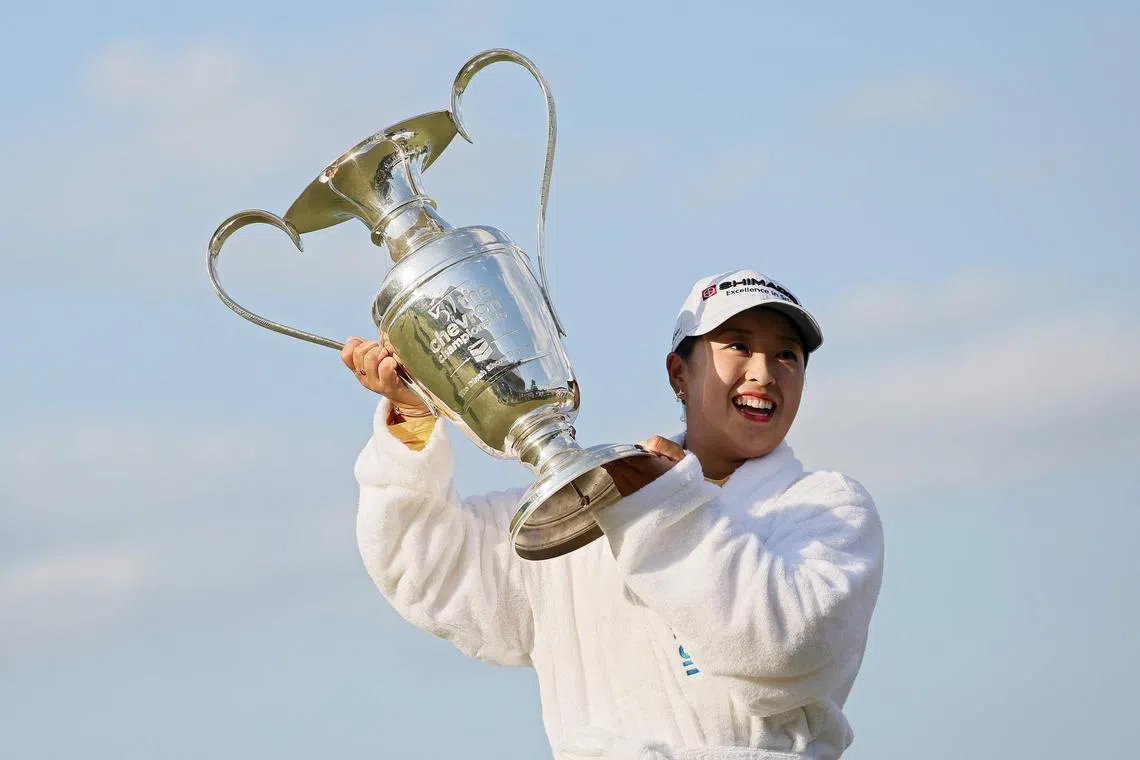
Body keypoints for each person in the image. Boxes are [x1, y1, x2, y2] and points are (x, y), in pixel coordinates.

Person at [341, 269, 885, 760]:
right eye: (738, 346)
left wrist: (666, 506)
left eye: (787, 356)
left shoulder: (828, 507)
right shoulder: (584, 503)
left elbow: (786, 648)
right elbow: (430, 567)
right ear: (680, 374)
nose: (764, 373)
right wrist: (412, 420)